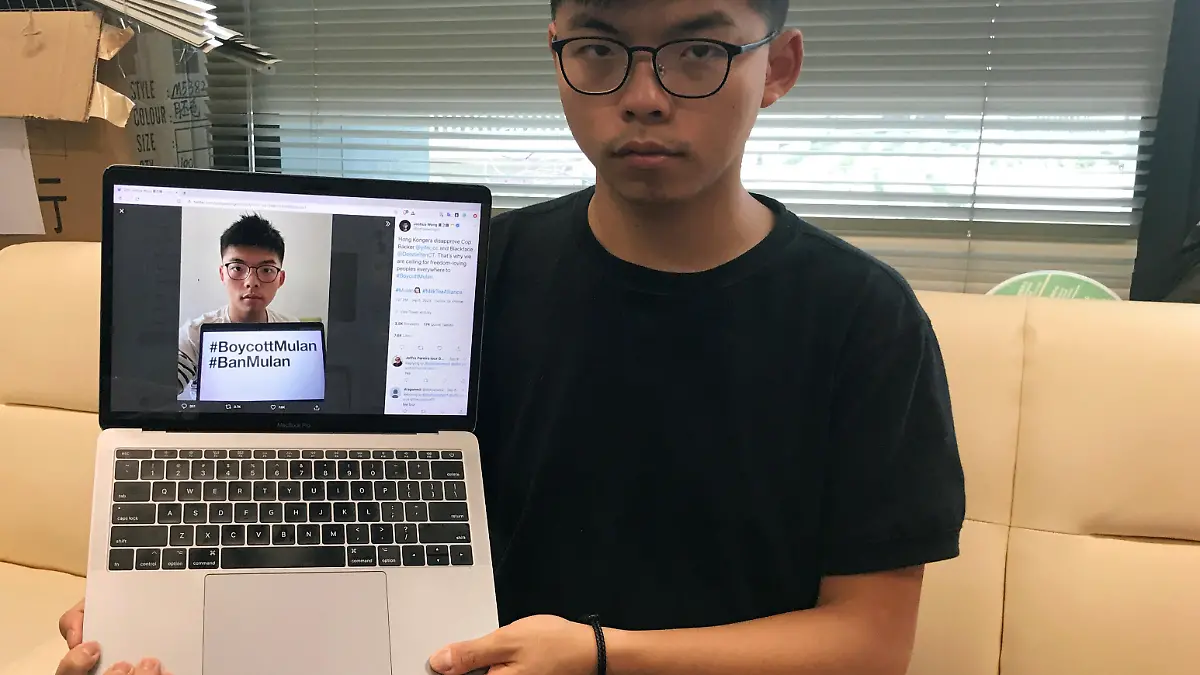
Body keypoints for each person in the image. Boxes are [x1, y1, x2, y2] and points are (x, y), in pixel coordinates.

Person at [58, 1, 966, 675]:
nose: (643, 96)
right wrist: (170, 590)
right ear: (558, 53)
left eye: (699, 50)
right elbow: (345, 492)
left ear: (779, 67)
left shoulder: (866, 321)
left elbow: (871, 640)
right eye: (600, 49)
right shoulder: (470, 273)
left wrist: (608, 655)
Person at [176, 214, 297, 398]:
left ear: (280, 279)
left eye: (266, 270)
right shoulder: (194, 334)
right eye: (237, 268)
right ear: (222, 274)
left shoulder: (293, 331)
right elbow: (158, 392)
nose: (251, 282)